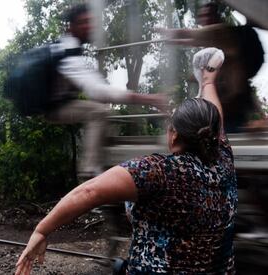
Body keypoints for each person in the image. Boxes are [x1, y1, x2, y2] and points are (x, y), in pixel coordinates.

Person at [15, 48, 237, 274]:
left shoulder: (159, 171)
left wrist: (42, 231)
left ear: (174, 135)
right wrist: (208, 81)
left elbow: (89, 192)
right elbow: (215, 119)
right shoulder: (223, 160)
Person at [46, 3, 166, 178]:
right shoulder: (68, 52)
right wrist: (149, 99)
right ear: (70, 27)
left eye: (90, 21)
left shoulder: (67, 48)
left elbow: (92, 84)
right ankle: (89, 172)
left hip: (56, 103)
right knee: (99, 111)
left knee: (98, 109)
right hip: (53, 108)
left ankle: (95, 163)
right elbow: (97, 90)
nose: (89, 27)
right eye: (83, 22)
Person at [161, 2, 265, 132]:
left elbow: (191, 35)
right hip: (223, 110)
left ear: (216, 16)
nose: (205, 19)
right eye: (203, 16)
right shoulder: (213, 44)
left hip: (231, 111)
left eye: (208, 15)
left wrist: (166, 33)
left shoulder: (223, 33)